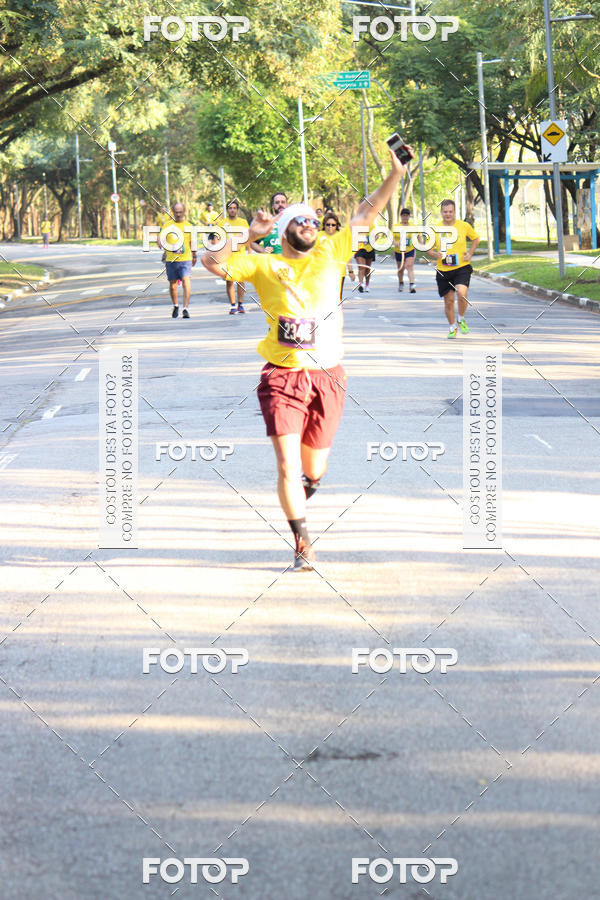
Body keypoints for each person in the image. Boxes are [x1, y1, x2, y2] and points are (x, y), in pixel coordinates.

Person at [201, 147, 411, 570]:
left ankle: (306, 488)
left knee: (314, 469)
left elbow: (366, 212)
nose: (310, 225)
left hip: (328, 376)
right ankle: (302, 541)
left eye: (314, 221)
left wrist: (396, 173)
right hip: (282, 376)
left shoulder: (332, 252)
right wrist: (249, 235)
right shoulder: (263, 264)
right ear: (283, 230)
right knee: (286, 462)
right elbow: (210, 260)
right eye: (300, 220)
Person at [427, 199, 480, 338]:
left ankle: (461, 318)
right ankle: (452, 327)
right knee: (449, 301)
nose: (448, 214)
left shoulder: (463, 226)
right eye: (445, 212)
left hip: (461, 266)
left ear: (455, 212)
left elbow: (476, 239)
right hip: (443, 269)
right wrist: (435, 254)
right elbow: (428, 249)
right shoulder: (435, 229)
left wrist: (470, 253)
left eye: (450, 211)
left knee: (461, 294)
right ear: (441, 212)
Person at [158, 202, 196, 319]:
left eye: (180, 212)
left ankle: (185, 308)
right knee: (173, 285)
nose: (178, 214)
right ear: (173, 212)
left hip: (185, 259)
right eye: (176, 212)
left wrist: (194, 255)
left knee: (186, 281)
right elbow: (160, 238)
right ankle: (175, 305)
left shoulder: (189, 226)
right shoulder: (167, 225)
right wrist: (160, 242)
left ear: (184, 212)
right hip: (171, 259)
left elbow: (192, 242)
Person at [223, 199, 249, 314]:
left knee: (240, 280)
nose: (232, 210)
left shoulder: (243, 222)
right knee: (229, 281)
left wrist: (250, 253)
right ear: (227, 210)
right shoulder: (222, 223)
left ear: (237, 210)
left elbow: (249, 239)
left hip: (241, 256)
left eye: (234, 208)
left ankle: (241, 304)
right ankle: (232, 305)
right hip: (227, 257)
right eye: (230, 208)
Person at [320, 212, 355, 294]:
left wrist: (351, 271)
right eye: (328, 224)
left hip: (338, 273)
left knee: (337, 298)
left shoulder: (342, 236)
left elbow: (347, 255)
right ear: (324, 225)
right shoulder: (318, 236)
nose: (330, 227)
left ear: (337, 225)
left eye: (333, 225)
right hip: (321, 273)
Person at [395, 207, 416, 293]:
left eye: (407, 216)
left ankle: (412, 285)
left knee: (409, 266)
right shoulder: (396, 226)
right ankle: (401, 283)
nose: (405, 217)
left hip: (410, 250)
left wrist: (421, 244)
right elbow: (391, 237)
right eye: (403, 216)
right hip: (399, 251)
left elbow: (418, 236)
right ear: (401, 216)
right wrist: (395, 242)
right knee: (400, 269)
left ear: (409, 217)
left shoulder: (413, 227)